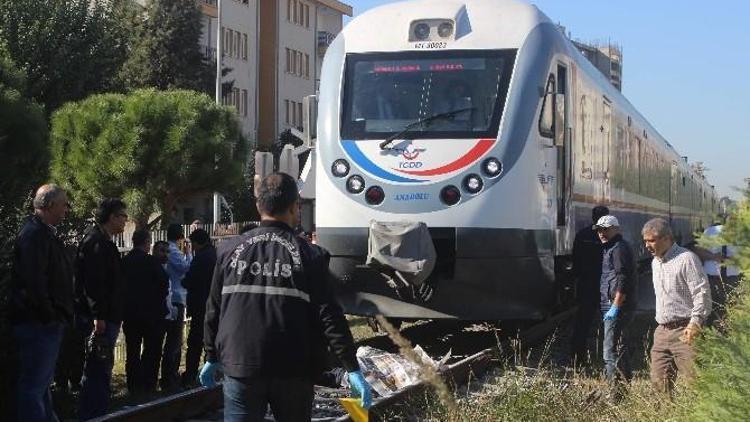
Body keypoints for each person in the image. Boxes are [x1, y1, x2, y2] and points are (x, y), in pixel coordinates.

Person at [201, 173, 373, 421]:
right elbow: (329, 316)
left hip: (240, 363)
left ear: (259, 206)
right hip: (293, 368)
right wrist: (351, 367)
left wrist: (211, 355)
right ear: (295, 208)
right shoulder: (310, 255)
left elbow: (214, 308)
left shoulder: (228, 251)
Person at [10, 184, 73, 421]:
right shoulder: (34, 235)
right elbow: (34, 282)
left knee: (41, 385)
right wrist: (50, 315)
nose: (66, 210)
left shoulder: (43, 233)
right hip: (38, 323)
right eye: (63, 204)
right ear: (49, 205)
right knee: (34, 387)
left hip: (43, 322)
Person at [642, 218, 712, 395]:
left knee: (696, 385)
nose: (647, 245)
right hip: (662, 331)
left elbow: (701, 293)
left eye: (651, 240)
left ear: (667, 238)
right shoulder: (655, 261)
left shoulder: (686, 259)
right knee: (659, 385)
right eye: (645, 241)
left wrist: (695, 323)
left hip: (685, 330)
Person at [76, 198, 128, 419]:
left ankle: (98, 411)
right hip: (101, 318)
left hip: (108, 315)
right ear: (112, 217)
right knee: (98, 367)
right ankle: (93, 414)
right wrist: (98, 316)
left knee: (101, 368)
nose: (126, 220)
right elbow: (93, 284)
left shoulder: (104, 241)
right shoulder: (96, 242)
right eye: (123, 216)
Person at [594, 215, 637, 400]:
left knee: (609, 351)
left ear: (616, 229)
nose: (602, 233)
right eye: (599, 230)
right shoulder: (611, 247)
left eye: (606, 229)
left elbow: (623, 278)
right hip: (613, 304)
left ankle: (614, 395)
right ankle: (623, 390)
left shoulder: (618, 249)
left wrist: (615, 306)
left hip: (617, 306)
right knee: (619, 347)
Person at [122, 229, 169, 395]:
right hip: (152, 314)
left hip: (131, 313)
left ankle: (133, 385)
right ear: (147, 242)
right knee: (153, 350)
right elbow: (164, 283)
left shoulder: (125, 261)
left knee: (132, 351)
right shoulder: (151, 262)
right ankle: (149, 383)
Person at [570, 205, 610, 365]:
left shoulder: (582, 235)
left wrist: (577, 279)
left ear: (592, 217)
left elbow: (575, 260)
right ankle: (606, 357)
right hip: (604, 287)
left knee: (582, 323)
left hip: (586, 285)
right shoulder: (608, 238)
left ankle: (577, 358)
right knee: (608, 322)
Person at [181, 229, 217, 386]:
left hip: (200, 305)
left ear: (197, 242)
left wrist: (184, 281)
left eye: (192, 243)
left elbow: (189, 280)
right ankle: (210, 372)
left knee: (195, 341)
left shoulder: (201, 258)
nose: (192, 247)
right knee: (211, 341)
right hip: (213, 305)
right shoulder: (215, 254)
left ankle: (191, 375)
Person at [160, 223, 192, 390]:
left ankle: (170, 375)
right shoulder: (173, 251)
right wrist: (189, 253)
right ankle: (170, 376)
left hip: (174, 297)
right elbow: (186, 268)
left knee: (173, 340)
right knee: (174, 340)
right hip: (176, 298)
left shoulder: (170, 249)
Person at [698, 222, 741, 326]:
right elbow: (699, 251)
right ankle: (708, 332)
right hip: (711, 278)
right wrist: (714, 256)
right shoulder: (711, 231)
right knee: (708, 307)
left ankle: (726, 333)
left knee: (730, 308)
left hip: (732, 278)